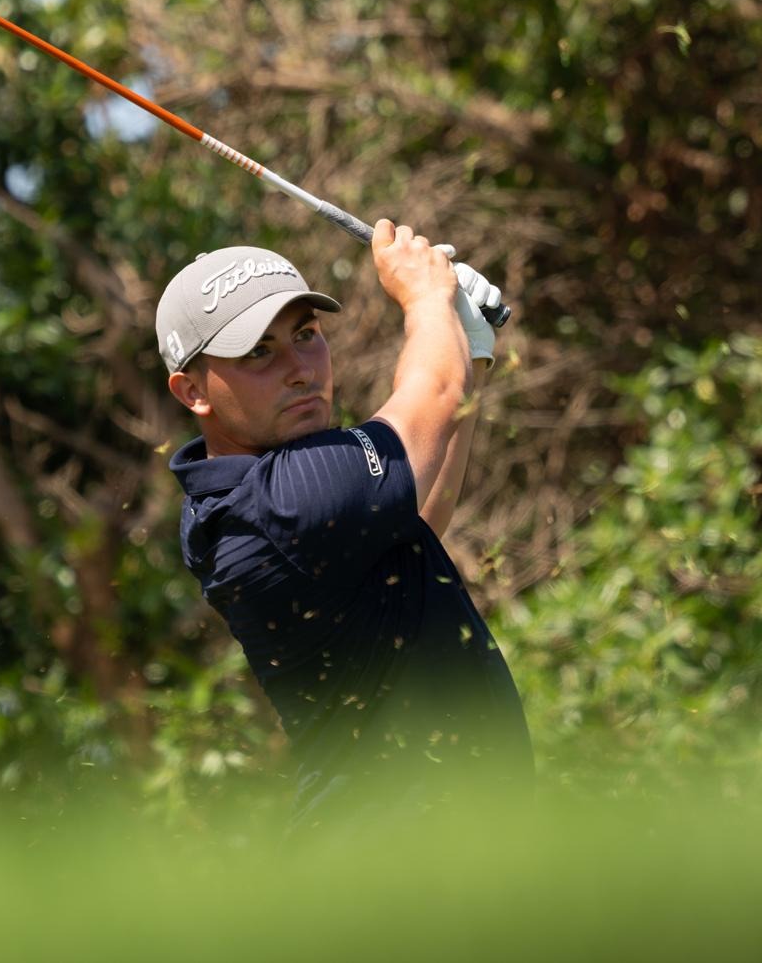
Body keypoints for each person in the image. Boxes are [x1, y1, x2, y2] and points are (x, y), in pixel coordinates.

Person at [156, 220, 533, 833]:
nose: (300, 368)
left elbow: (418, 524)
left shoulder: (251, 494)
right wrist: (424, 299)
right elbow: (432, 392)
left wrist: (471, 348)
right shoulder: (286, 501)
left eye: (306, 335)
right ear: (193, 390)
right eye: (259, 352)